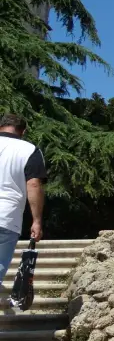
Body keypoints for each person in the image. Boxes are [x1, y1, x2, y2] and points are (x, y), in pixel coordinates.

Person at [0, 114, 46, 288]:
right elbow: (34, 184)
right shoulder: (29, 150)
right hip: (6, 217)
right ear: (23, 131)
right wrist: (37, 221)